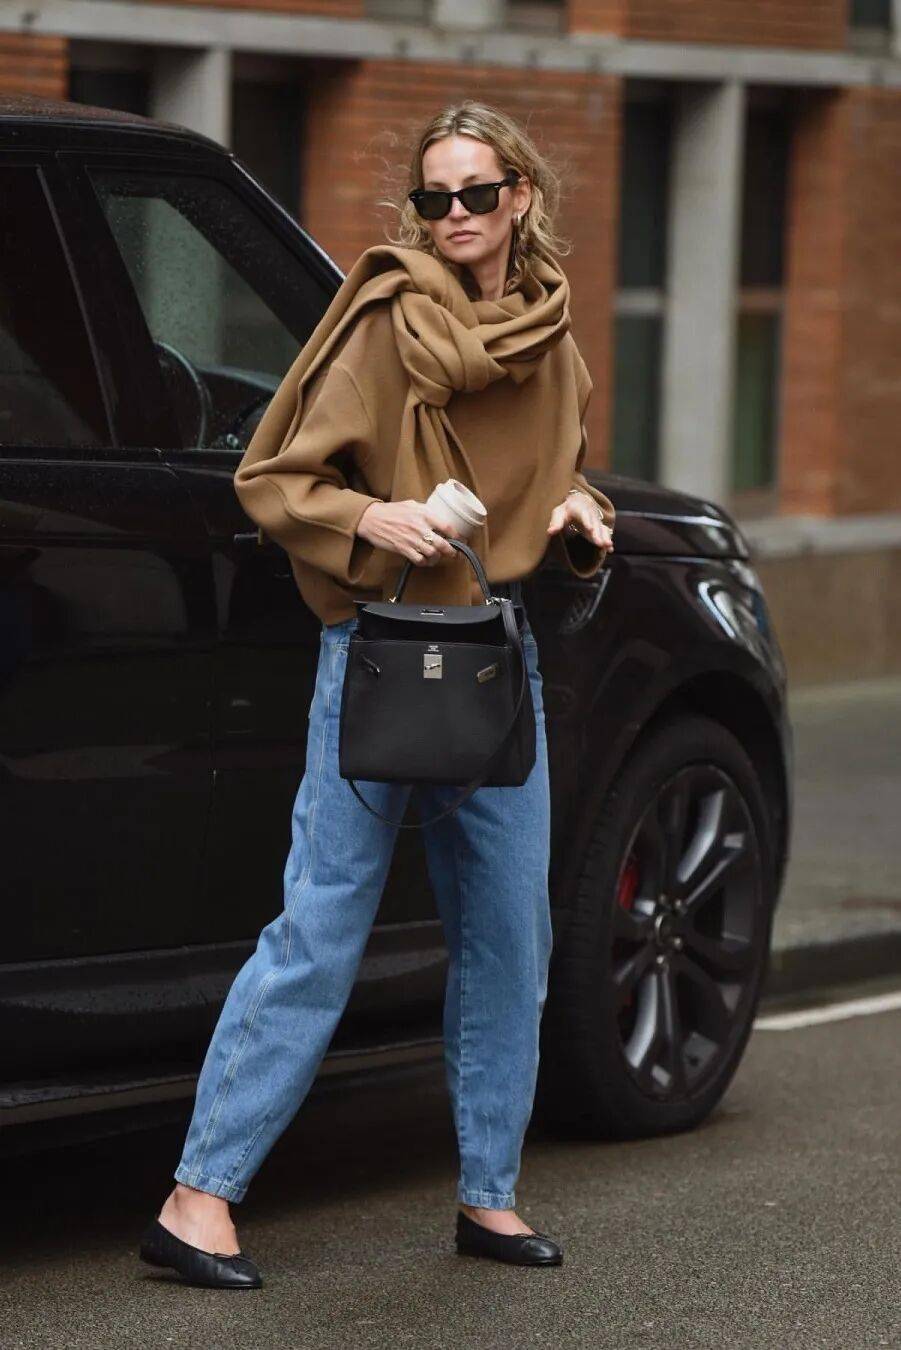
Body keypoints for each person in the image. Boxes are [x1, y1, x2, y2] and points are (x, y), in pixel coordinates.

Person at [139, 99, 615, 1289]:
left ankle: (489, 1196)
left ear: (520, 197)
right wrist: (374, 517)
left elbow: (557, 480)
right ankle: (197, 1200)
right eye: (433, 196)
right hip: (380, 652)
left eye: (475, 193)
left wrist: (579, 516)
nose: (454, 214)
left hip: (493, 662)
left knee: (510, 932)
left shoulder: (550, 338)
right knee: (321, 928)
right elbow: (273, 476)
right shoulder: (382, 323)